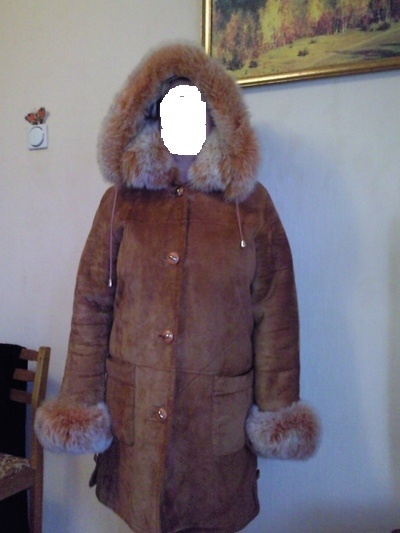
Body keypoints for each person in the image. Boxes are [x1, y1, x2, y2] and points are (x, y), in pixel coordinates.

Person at [35, 43, 319, 533]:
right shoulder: (121, 204)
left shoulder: (250, 206)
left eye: (195, 104)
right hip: (135, 414)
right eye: (171, 105)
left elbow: (275, 312)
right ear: (149, 116)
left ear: (216, 115)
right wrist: (81, 401)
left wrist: (277, 410)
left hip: (215, 422)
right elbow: (92, 305)